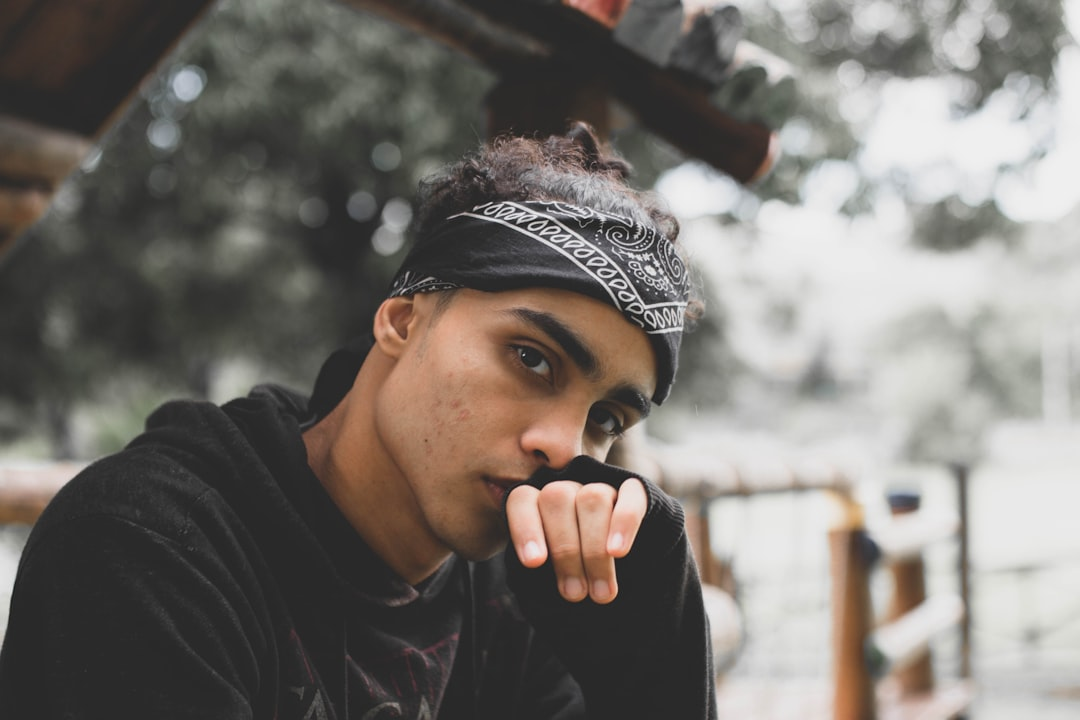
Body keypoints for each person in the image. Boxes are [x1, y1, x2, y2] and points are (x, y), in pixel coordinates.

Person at [0, 122, 715, 719]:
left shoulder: (518, 599)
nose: (563, 446)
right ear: (403, 319)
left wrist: (656, 674)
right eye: (531, 358)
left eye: (606, 418)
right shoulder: (150, 549)